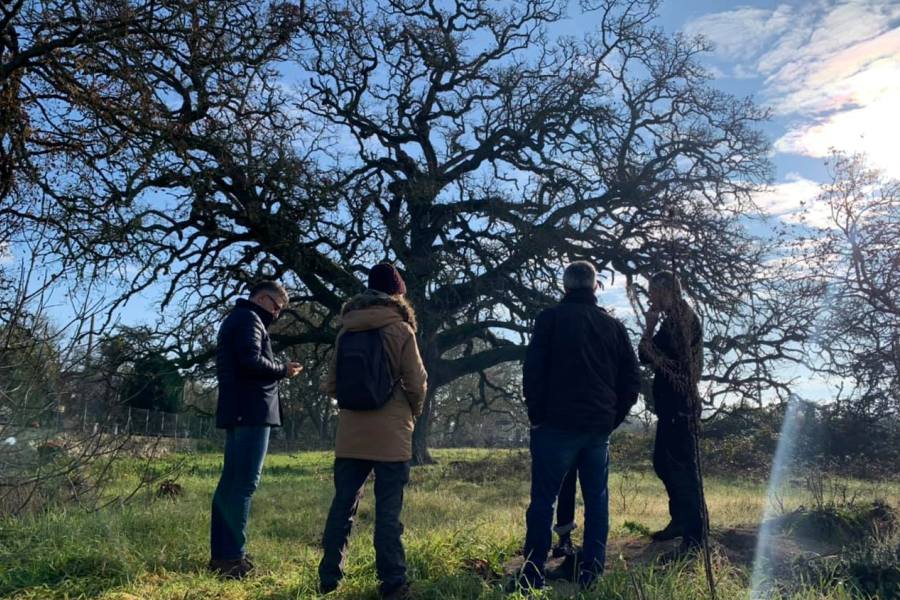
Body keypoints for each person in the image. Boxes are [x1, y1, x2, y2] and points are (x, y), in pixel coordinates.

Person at [517, 261, 641, 592]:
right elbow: (632, 381)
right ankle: (591, 572)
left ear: (565, 286)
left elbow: (533, 372)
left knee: (543, 500)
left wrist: (537, 415)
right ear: (595, 287)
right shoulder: (613, 326)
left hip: (555, 424)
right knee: (597, 500)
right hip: (597, 428)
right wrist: (611, 418)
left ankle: (532, 573)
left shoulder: (549, 319)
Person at [318, 263, 428, 600]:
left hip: (351, 434)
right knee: (388, 513)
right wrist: (412, 410)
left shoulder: (345, 329)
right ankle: (393, 584)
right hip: (392, 434)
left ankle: (328, 579)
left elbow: (331, 384)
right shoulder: (401, 330)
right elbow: (417, 382)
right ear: (398, 294)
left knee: (342, 507)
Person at [209, 280, 303, 579]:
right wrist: (282, 370)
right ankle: (233, 559)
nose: (277, 314)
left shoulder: (238, 319)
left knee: (230, 484)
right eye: (276, 307)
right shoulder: (250, 320)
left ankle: (222, 555)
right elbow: (250, 361)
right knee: (244, 484)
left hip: (238, 410)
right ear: (262, 298)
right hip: (251, 411)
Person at [638, 270, 705, 554]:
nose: (650, 297)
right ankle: (680, 521)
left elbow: (647, 355)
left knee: (682, 467)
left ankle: (696, 536)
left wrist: (648, 327)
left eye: (653, 292)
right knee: (664, 463)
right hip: (673, 404)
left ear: (666, 291)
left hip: (680, 404)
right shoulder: (676, 318)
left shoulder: (678, 321)